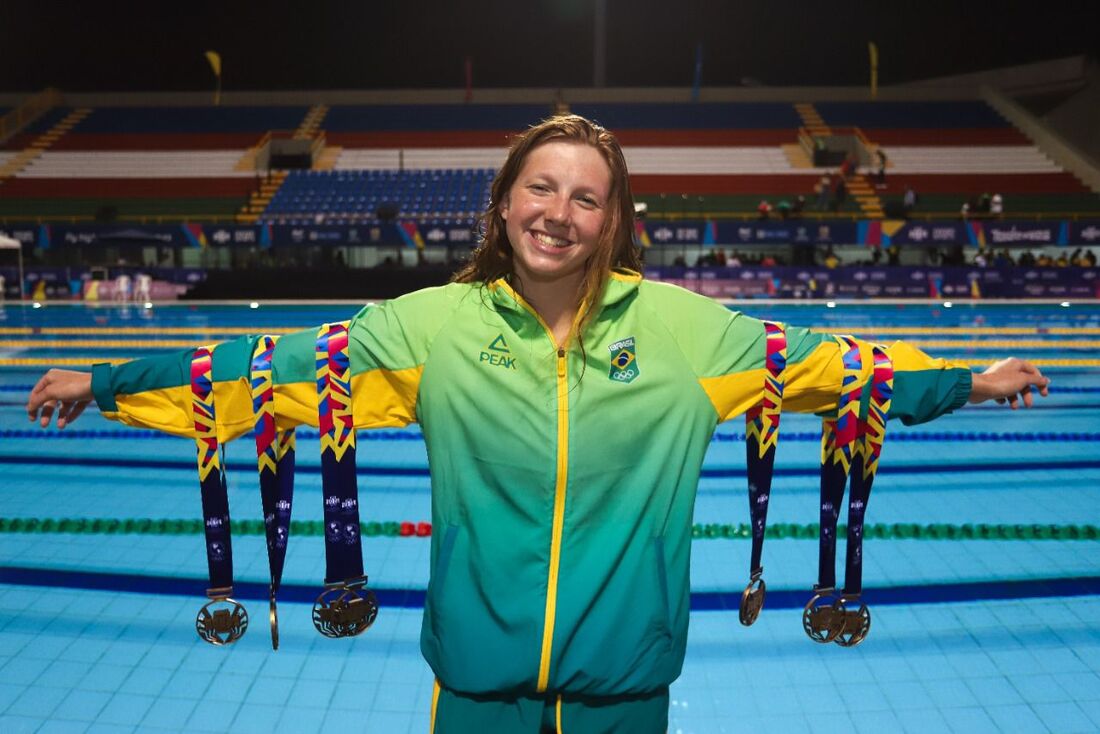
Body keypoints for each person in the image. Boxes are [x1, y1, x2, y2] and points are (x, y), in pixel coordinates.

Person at [25, 115, 1050, 734]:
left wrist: (967, 379)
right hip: (479, 695)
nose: (559, 211)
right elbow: (268, 368)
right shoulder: (431, 325)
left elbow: (841, 369)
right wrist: (108, 379)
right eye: (541, 186)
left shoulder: (687, 330)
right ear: (505, 201)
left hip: (625, 692)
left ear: (614, 221)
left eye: (586, 198)